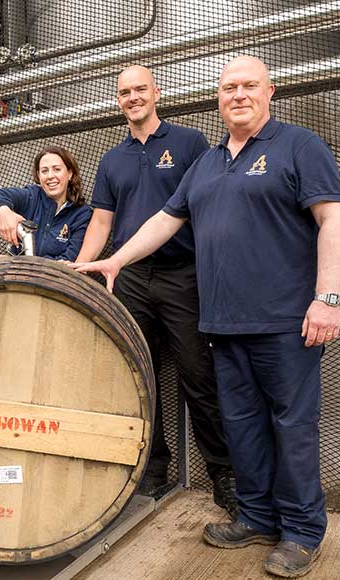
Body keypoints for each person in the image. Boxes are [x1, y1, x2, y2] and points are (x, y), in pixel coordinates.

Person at [74, 56, 340, 578]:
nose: (238, 95)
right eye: (229, 88)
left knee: (291, 426)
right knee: (242, 424)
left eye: (249, 86)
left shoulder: (298, 146)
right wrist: (115, 258)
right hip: (222, 322)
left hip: (287, 321)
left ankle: (301, 531)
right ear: (217, 98)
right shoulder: (208, 162)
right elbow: (163, 219)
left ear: (270, 91)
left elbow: (332, 217)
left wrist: (326, 298)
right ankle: (257, 516)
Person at [75, 65, 237, 518]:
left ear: (156, 92)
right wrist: (84, 265)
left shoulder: (190, 144)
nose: (132, 97)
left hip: (182, 276)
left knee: (197, 375)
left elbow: (203, 209)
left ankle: (225, 475)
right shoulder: (111, 160)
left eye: (140, 89)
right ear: (119, 101)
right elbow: (102, 222)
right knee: (136, 377)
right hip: (128, 278)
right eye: (124, 92)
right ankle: (152, 467)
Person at [0, 145, 91, 261]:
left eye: (57, 169)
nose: (50, 176)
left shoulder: (82, 214)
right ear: (38, 175)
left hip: (54, 277)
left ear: (70, 173)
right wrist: (3, 210)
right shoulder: (31, 196)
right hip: (17, 274)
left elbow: (69, 260)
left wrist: (22, 266)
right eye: (44, 171)